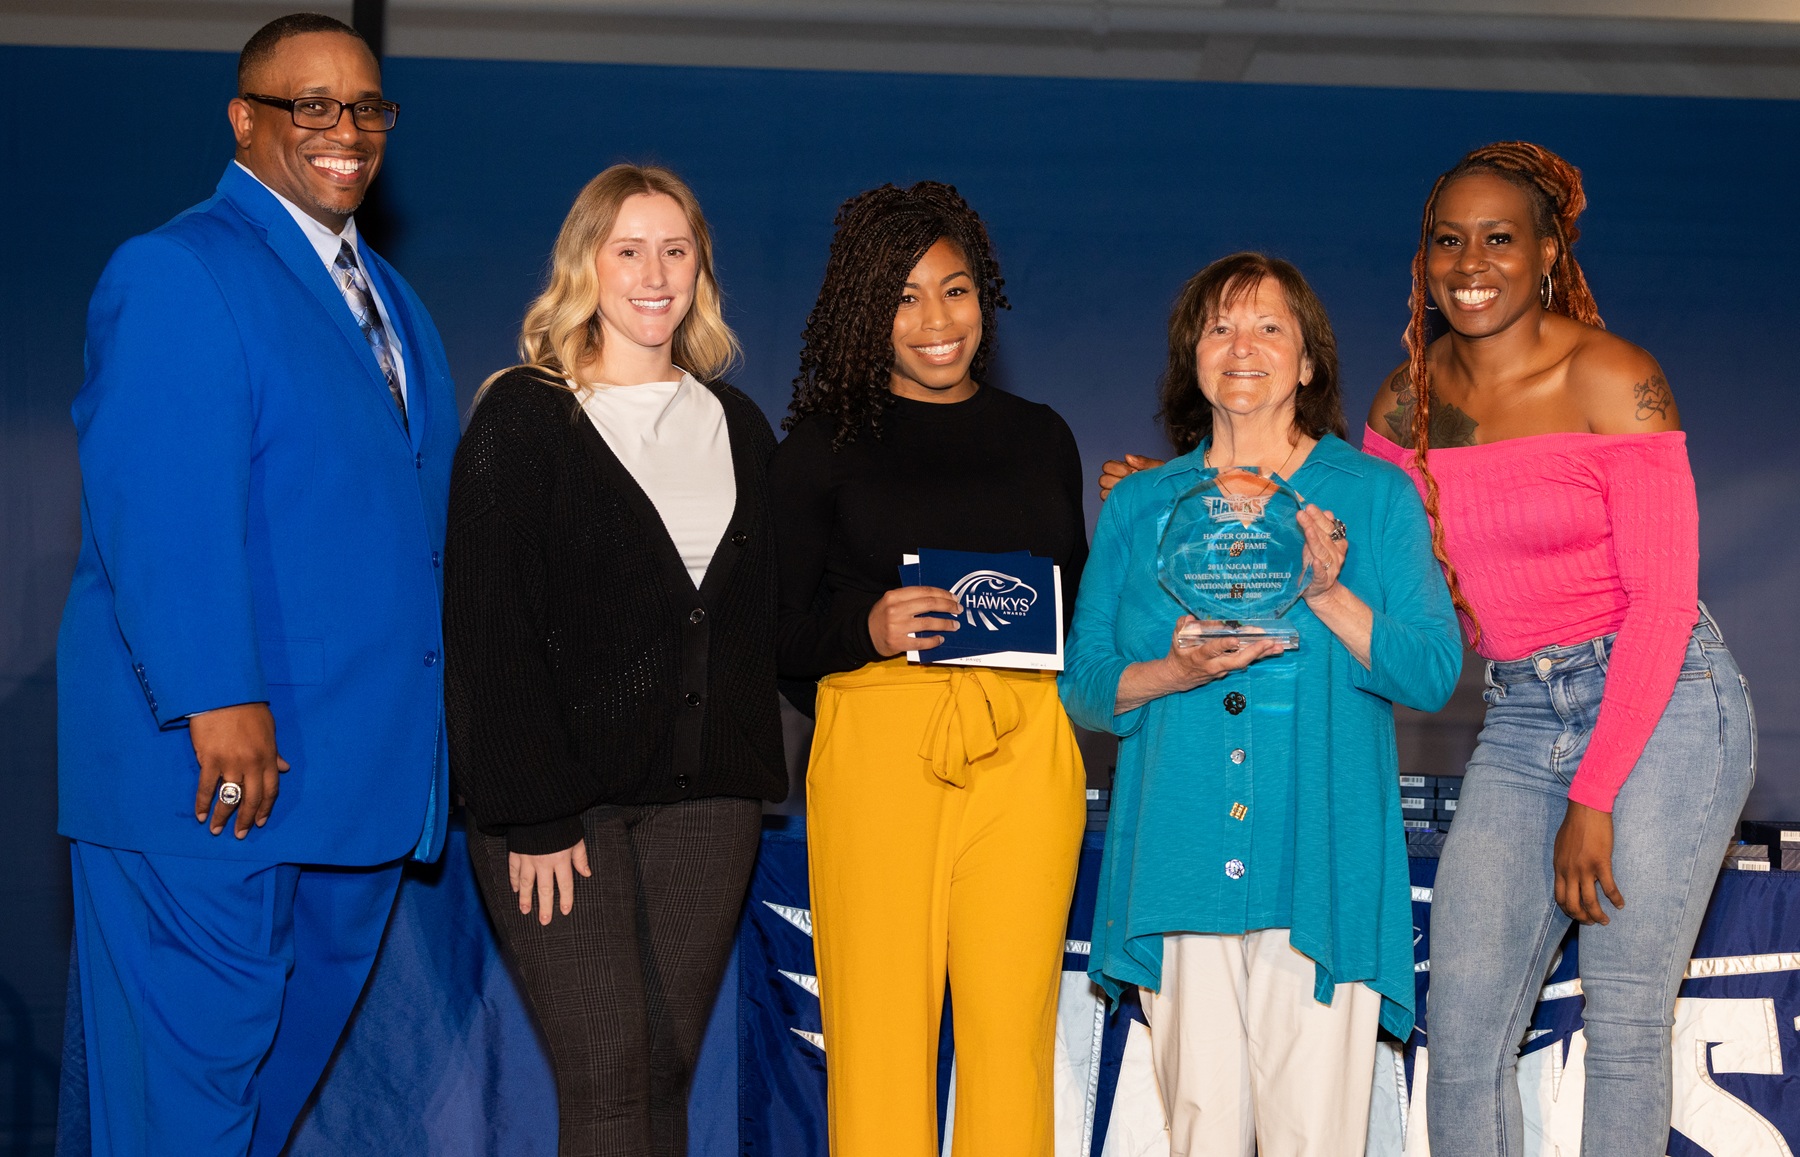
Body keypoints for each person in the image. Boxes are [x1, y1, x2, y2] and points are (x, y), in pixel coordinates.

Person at [56, 14, 456, 1155]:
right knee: (182, 1112)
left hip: (355, 787)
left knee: (259, 1108)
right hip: (211, 778)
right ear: (246, 119)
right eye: (311, 104)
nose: (344, 131)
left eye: (367, 107)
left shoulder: (393, 300)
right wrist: (216, 695)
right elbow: (159, 500)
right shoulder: (177, 267)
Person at [1360, 141, 1757, 1157]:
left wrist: (1595, 792)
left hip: (1663, 696)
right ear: (1422, 259)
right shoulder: (1405, 404)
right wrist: (1193, 493)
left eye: (1499, 238)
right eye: (1447, 240)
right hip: (1522, 709)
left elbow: (1664, 605)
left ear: (1546, 255)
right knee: (1461, 1032)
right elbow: (1379, 577)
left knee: (1624, 1023)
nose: (1470, 261)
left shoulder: (1613, 374)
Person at [1061, 252, 1462, 1156]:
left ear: (1309, 362)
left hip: (1320, 861)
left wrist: (1328, 592)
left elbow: (1434, 669)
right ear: (1192, 359)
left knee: (1316, 1140)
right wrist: (1175, 669)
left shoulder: (1375, 495)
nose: (1243, 346)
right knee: (1201, 1135)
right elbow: (1084, 682)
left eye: (1269, 327)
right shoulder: (1144, 507)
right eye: (1219, 327)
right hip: (1179, 856)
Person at [444, 163, 786, 1157]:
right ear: (585, 264)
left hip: (706, 806)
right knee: (604, 1078)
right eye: (627, 248)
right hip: (557, 812)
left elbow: (772, 621)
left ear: (701, 271)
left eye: (675, 250)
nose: (653, 271)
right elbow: (489, 630)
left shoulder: (740, 426)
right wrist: (535, 814)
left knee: (663, 1078)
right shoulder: (522, 417)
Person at [769, 182, 1089, 1156]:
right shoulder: (821, 447)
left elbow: (1074, 609)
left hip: (1024, 743)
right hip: (877, 751)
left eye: (954, 290)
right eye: (904, 297)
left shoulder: (1040, 435)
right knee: (878, 1036)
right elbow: (777, 636)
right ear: (867, 312)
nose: (936, 319)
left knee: (1010, 1034)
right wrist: (864, 624)